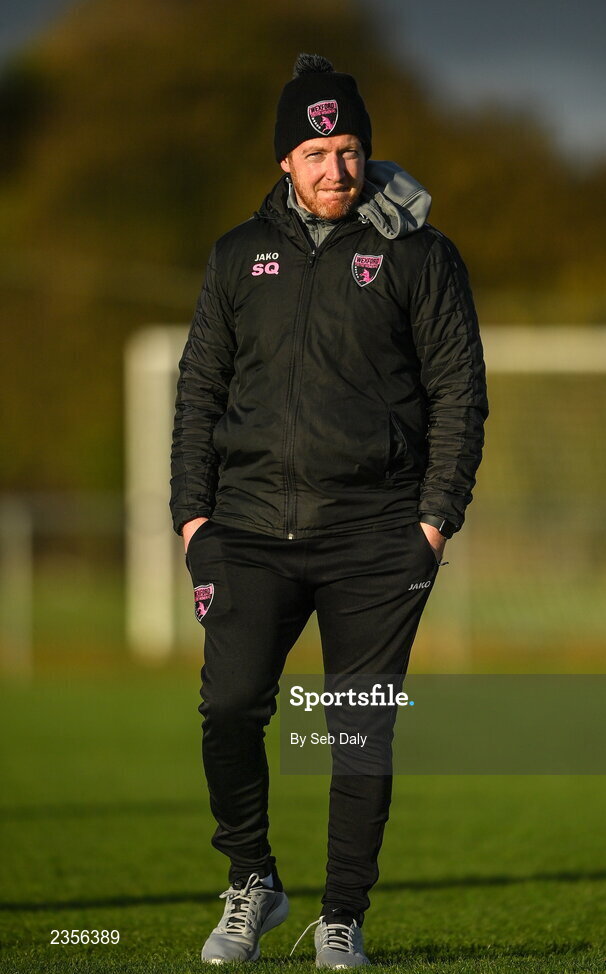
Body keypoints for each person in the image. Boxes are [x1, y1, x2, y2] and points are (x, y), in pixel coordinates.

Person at [170, 53, 488, 969]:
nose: (336, 171)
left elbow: (459, 395)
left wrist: (432, 524)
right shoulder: (238, 256)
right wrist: (195, 520)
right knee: (229, 709)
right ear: (285, 162)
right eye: (316, 154)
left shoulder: (418, 255)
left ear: (367, 154)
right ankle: (252, 882)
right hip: (247, 531)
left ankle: (340, 916)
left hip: (378, 538)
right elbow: (200, 390)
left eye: (350, 151)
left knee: (358, 725)